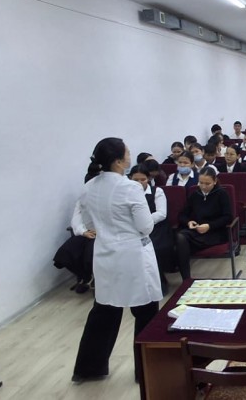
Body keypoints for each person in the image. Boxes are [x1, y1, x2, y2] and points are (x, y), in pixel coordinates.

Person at [73, 138, 161, 383]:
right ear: (119, 161)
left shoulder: (89, 186)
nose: (130, 154)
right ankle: (146, 373)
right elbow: (145, 226)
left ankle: (88, 369)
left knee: (104, 311)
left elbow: (88, 223)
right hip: (133, 255)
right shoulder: (130, 188)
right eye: (127, 152)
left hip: (105, 254)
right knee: (146, 312)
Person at [173, 167, 234, 280]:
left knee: (181, 244)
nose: (203, 186)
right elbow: (182, 215)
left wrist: (209, 226)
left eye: (207, 183)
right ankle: (186, 279)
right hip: (197, 231)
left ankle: (185, 277)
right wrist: (189, 222)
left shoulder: (221, 194)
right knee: (180, 238)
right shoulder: (195, 194)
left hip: (215, 232)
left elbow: (228, 217)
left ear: (215, 181)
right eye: (201, 183)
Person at [52, 163, 99, 294]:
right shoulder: (82, 199)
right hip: (86, 233)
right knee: (64, 254)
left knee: (90, 255)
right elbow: (76, 218)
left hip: (103, 234)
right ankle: (86, 277)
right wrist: (83, 232)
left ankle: (95, 280)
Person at [128, 165, 175, 295]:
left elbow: (161, 213)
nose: (139, 183)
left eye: (142, 179)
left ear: (148, 179)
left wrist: (144, 221)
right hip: (134, 229)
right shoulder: (126, 194)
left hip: (156, 227)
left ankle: (160, 282)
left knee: (155, 248)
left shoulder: (157, 192)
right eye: (135, 180)